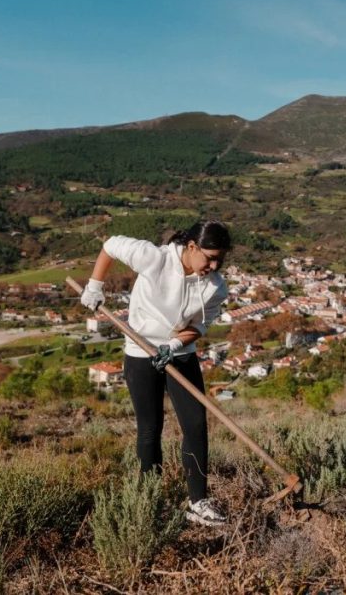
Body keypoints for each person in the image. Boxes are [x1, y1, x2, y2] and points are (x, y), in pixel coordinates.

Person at [81, 220, 231, 526]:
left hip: (180, 356)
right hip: (141, 353)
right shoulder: (155, 257)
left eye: (220, 258)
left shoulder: (216, 286)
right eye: (209, 257)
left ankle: (198, 502)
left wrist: (174, 345)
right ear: (191, 247)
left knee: (196, 425)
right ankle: (152, 499)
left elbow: (199, 327)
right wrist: (95, 285)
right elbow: (110, 245)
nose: (214, 265)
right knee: (150, 428)